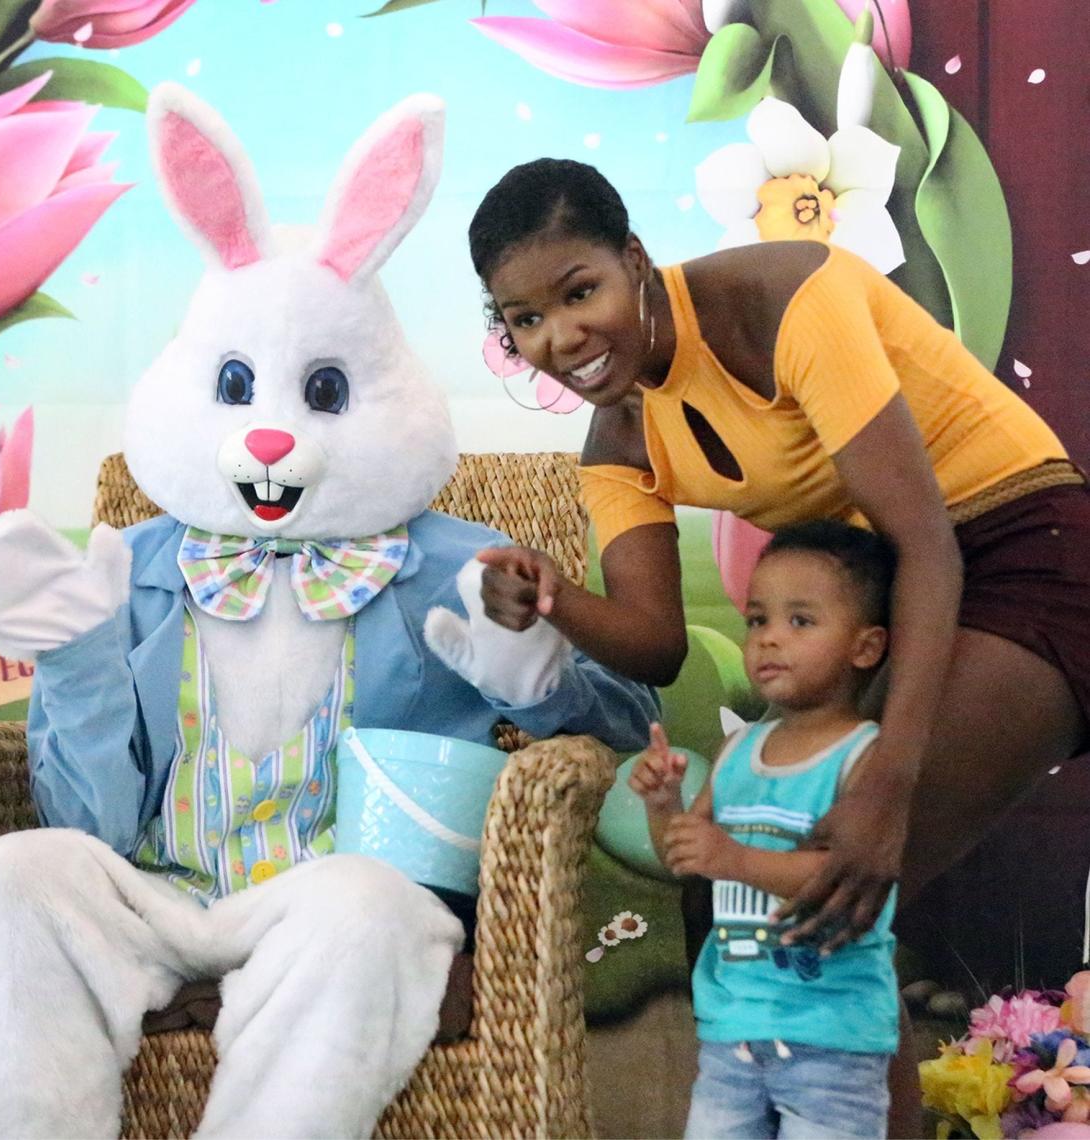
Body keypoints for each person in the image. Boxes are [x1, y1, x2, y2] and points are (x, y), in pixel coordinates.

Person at [466, 157, 1090, 1129]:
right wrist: (556, 598)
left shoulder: (782, 296)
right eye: (525, 319)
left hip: (1023, 549)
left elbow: (927, 538)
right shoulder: (617, 444)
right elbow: (654, 644)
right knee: (769, 897)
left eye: (579, 291)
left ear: (634, 258)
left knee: (838, 884)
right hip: (890, 594)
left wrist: (884, 779)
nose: (561, 337)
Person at [630, 520, 898, 1138]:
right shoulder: (736, 751)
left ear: (865, 646)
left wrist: (736, 860)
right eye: (757, 620)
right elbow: (686, 858)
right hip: (732, 1034)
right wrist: (666, 804)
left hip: (832, 1042)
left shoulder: (867, 755)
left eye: (800, 621)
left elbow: (844, 875)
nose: (770, 640)